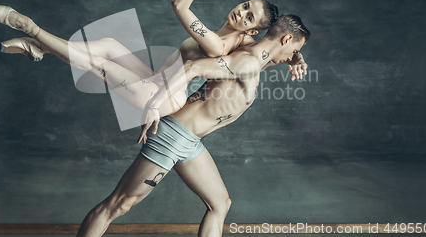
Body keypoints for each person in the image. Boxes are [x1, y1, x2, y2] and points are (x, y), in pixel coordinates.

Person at [71, 14, 310, 237]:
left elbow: (267, 59)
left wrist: (297, 56)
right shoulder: (247, 59)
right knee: (118, 205)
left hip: (190, 141)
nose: (293, 56)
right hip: (173, 136)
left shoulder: (253, 54)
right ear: (287, 38)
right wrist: (154, 105)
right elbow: (192, 68)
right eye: (295, 49)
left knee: (220, 203)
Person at [0, 0, 306, 116]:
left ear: (251, 27)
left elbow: (179, 4)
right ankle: (40, 48)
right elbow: (270, 47)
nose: (241, 11)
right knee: (109, 45)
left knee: (96, 64)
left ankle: (30, 28)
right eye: (246, 4)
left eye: (249, 15)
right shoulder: (244, 39)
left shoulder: (216, 43)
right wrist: (295, 57)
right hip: (155, 77)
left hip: (163, 97)